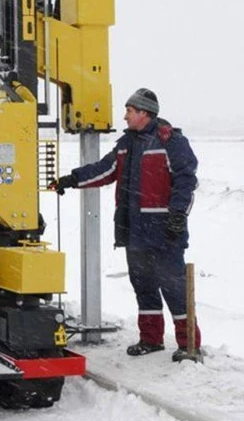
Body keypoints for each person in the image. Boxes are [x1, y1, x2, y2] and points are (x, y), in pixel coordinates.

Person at [52, 88, 202, 362]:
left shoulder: (171, 141)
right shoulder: (126, 144)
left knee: (174, 287)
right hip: (135, 233)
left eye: (129, 111)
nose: (125, 116)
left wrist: (178, 215)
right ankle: (151, 339)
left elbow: (186, 181)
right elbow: (104, 170)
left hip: (165, 231)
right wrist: (70, 179)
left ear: (144, 113)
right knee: (143, 285)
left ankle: (189, 344)